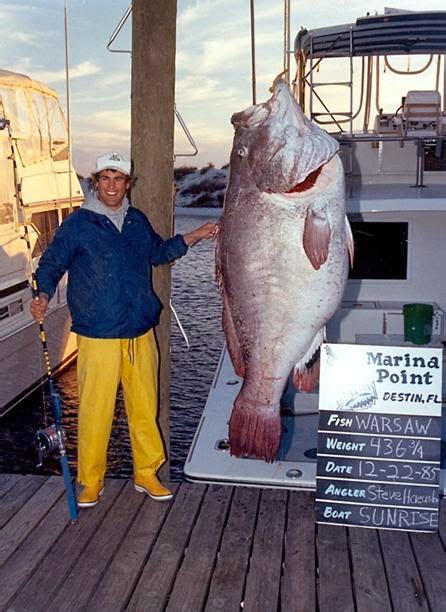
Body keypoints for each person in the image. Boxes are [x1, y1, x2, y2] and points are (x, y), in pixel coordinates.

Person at [30, 152, 218, 508]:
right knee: (95, 410)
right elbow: (51, 263)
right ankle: (90, 479)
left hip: (139, 331)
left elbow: (159, 253)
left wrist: (193, 236)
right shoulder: (79, 224)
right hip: (98, 334)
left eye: (119, 179)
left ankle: (147, 473)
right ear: (95, 182)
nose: (112, 186)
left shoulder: (136, 221)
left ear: (128, 184)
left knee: (145, 407)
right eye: (106, 178)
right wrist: (42, 293)